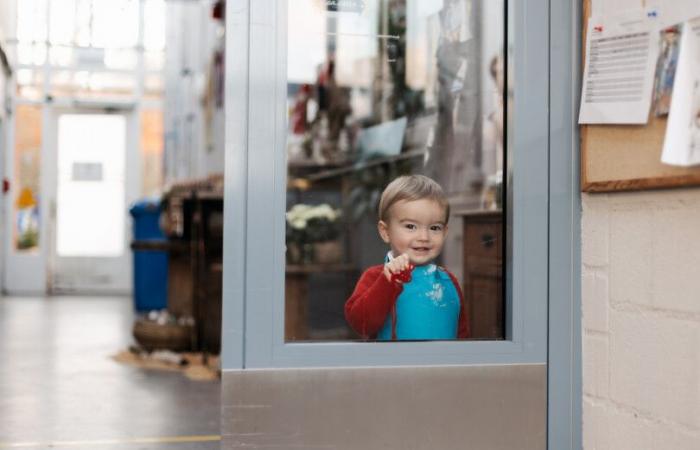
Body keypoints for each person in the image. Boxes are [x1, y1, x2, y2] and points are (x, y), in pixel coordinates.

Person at [344, 175, 469, 340]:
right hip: (396, 366)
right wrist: (387, 282)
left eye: (434, 228)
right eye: (410, 226)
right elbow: (361, 324)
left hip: (442, 365)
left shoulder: (448, 280)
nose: (424, 236)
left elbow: (462, 333)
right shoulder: (376, 277)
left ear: (445, 233)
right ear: (385, 232)